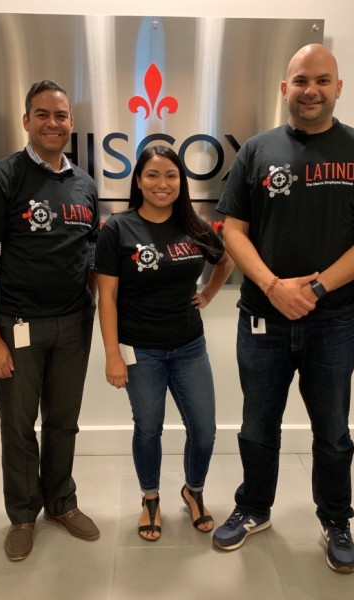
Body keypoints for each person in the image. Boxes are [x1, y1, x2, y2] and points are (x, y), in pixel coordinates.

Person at [211, 43, 354, 573]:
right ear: (284, 88)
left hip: (333, 322)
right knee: (257, 425)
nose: (311, 90)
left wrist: (313, 289)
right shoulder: (256, 150)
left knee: (332, 431)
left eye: (321, 80)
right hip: (262, 318)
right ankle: (253, 508)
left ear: (338, 87)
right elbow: (232, 230)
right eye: (300, 81)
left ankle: (335, 520)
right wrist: (273, 286)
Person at [0, 80, 100, 562]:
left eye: (60, 115)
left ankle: (61, 503)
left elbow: (90, 255)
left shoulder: (85, 184)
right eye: (42, 114)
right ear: (26, 121)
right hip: (17, 324)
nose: (52, 123)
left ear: (71, 123)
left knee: (63, 421)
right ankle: (23, 514)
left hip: (74, 325)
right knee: (19, 426)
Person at [95, 145, 234, 542]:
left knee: (204, 430)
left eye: (171, 175)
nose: (163, 183)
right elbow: (107, 296)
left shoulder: (195, 226)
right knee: (148, 429)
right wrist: (112, 355)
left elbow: (225, 260)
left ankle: (193, 490)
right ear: (138, 181)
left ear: (181, 182)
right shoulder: (118, 229)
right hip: (140, 350)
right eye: (153, 175)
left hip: (189, 346)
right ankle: (150, 498)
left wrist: (207, 294)